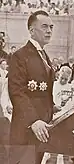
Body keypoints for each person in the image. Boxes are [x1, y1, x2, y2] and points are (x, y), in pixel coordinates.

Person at [8, 10, 56, 164]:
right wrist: (33, 120)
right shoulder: (20, 56)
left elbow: (43, 93)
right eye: (44, 27)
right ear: (31, 30)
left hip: (42, 128)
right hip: (27, 129)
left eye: (51, 27)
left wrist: (53, 107)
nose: (49, 31)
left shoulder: (43, 55)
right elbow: (17, 92)